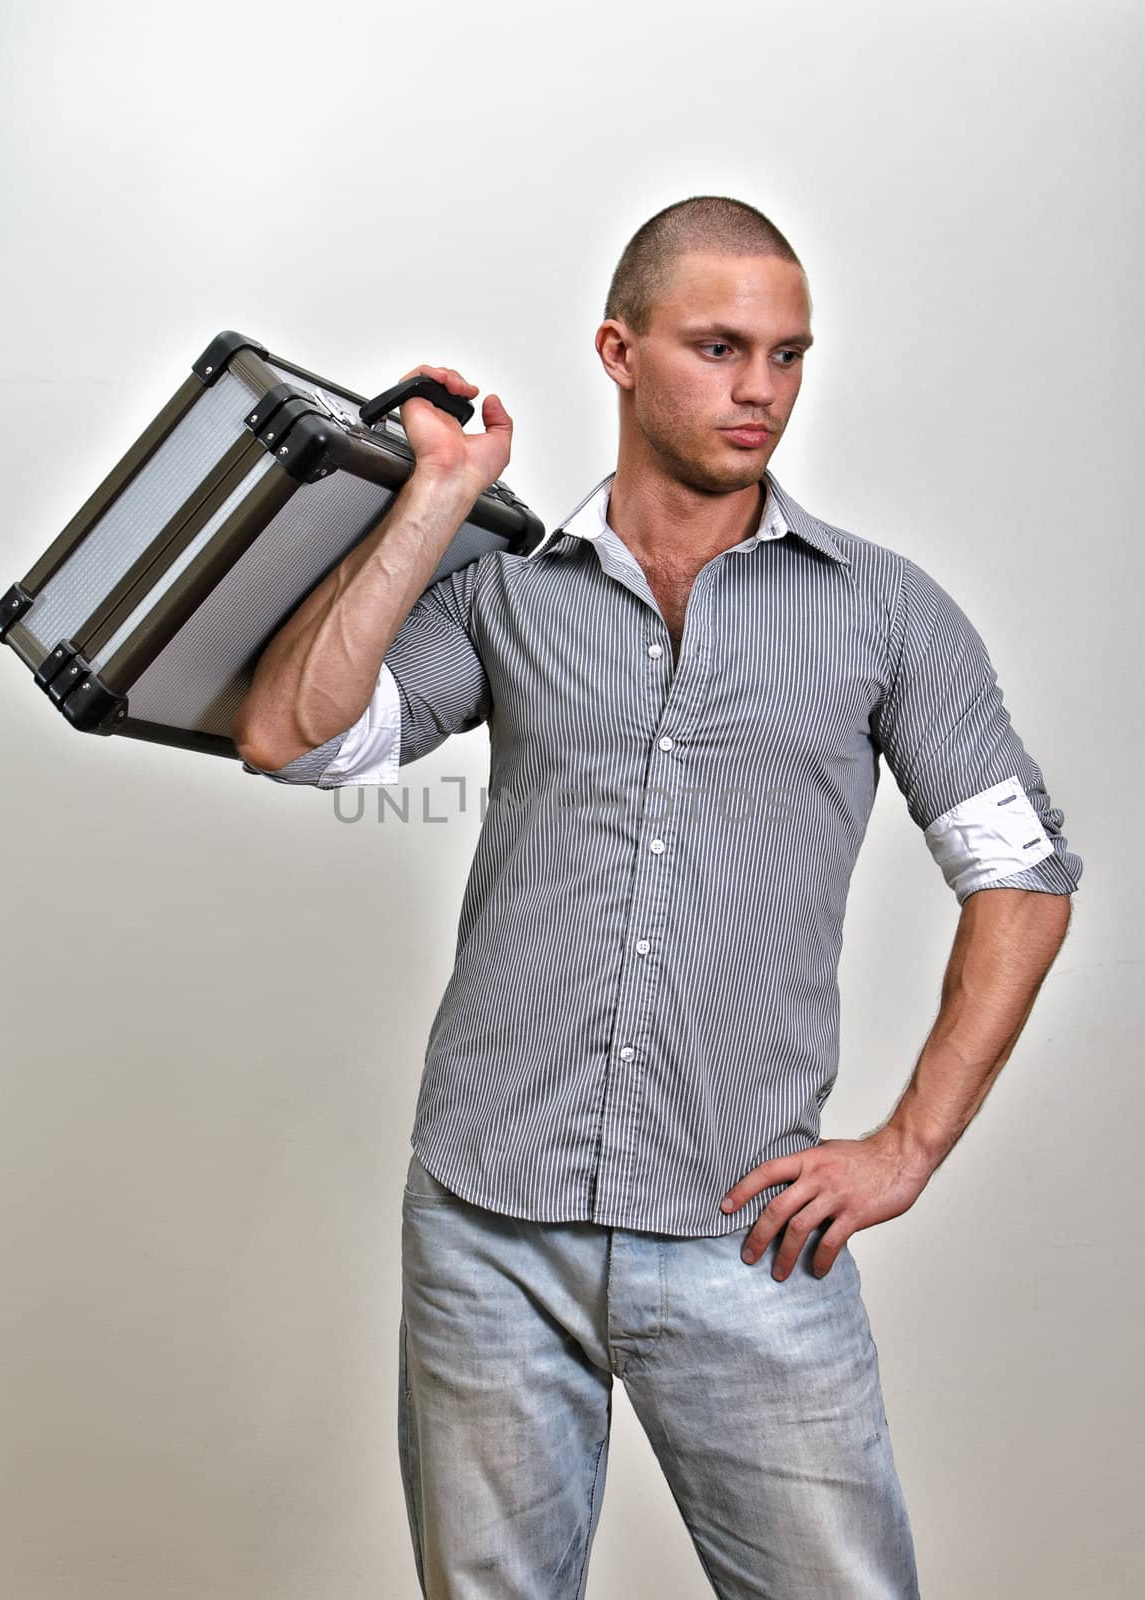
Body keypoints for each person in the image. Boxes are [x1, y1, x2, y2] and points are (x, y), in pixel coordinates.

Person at [232, 195, 1082, 1599]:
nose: (761, 391)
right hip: (484, 1223)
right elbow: (298, 737)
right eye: (719, 347)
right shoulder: (509, 593)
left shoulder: (887, 612)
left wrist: (911, 1145)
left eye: (789, 355)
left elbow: (1021, 874)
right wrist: (438, 498)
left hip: (743, 1239)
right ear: (618, 352)